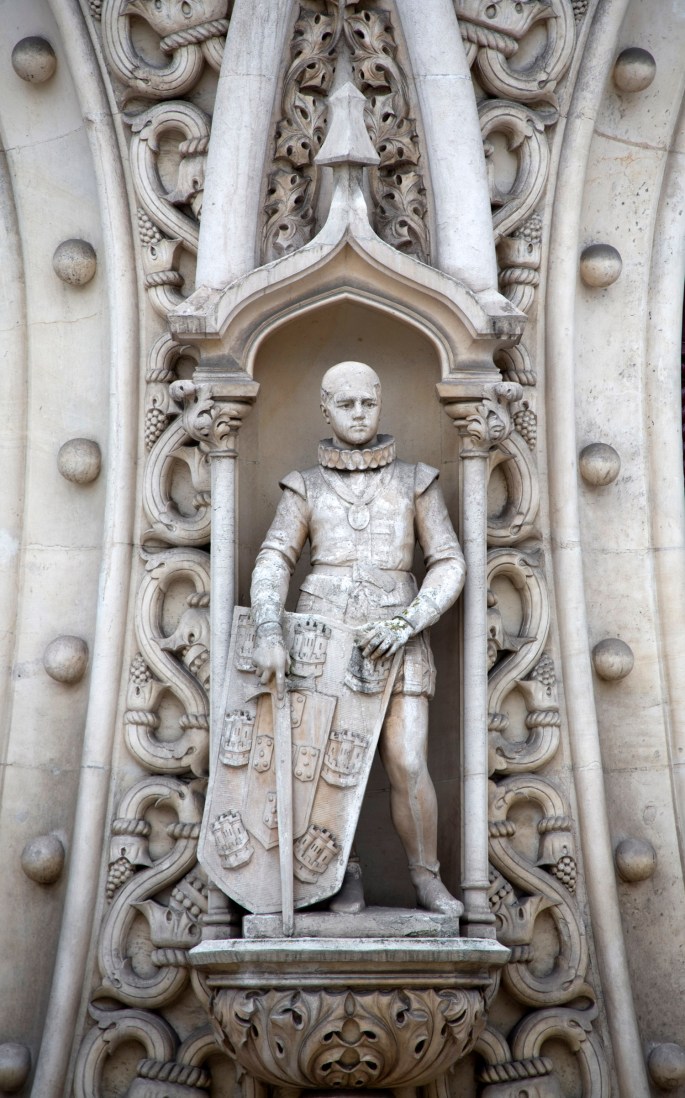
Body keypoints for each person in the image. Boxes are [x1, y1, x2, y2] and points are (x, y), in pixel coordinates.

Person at [249, 361, 465, 914]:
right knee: (324, 766)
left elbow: (448, 562)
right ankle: (337, 873)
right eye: (345, 405)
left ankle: (426, 877)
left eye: (367, 403)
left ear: (380, 403)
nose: (358, 414)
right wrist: (269, 627)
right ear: (325, 408)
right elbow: (274, 558)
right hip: (322, 640)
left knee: (407, 760)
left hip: (398, 634)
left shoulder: (416, 481)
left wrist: (409, 621)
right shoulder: (305, 486)